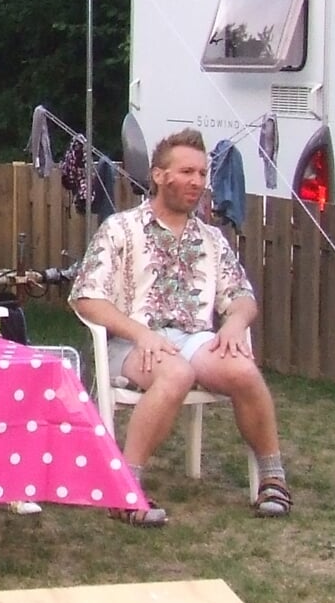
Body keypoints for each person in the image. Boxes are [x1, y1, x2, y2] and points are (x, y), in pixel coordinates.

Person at [70, 127, 293, 527]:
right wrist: (141, 333)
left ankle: (272, 477)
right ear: (159, 175)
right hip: (132, 342)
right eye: (187, 172)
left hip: (194, 338)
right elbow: (86, 297)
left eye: (202, 174)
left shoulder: (211, 238)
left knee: (243, 370)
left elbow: (241, 295)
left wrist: (234, 323)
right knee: (176, 374)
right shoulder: (121, 229)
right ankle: (125, 488)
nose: (197, 182)